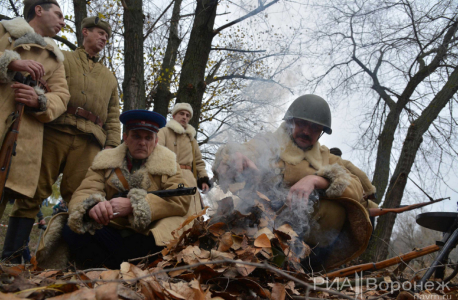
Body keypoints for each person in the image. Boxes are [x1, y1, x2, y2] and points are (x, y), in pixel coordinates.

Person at [4, 16, 121, 263]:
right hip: (54, 131)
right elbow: (45, 85)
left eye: (107, 36)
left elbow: (113, 116)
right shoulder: (63, 58)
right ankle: (13, 257)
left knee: (81, 200)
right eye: (99, 33)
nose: (103, 38)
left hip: (90, 142)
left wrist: (110, 148)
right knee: (31, 193)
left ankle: (68, 261)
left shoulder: (110, 77)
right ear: (85, 32)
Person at [212, 94, 373, 270]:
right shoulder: (268, 142)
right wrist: (237, 157)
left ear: (321, 132)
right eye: (302, 123)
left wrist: (316, 180)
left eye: (314, 127)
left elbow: (355, 185)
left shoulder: (327, 158)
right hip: (259, 225)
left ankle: (311, 270)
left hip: (305, 234)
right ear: (291, 122)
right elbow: (247, 150)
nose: (306, 131)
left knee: (336, 211)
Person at [36, 110, 192, 269]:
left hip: (146, 237)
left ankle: (128, 268)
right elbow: (85, 191)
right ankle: (104, 270)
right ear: (125, 138)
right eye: (136, 136)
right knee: (71, 229)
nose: (142, 143)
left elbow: (181, 200)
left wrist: (134, 205)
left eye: (148, 138)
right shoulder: (104, 162)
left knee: (171, 230)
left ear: (156, 141)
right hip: (110, 234)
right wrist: (92, 208)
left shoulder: (170, 166)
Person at [0, 0, 70, 263]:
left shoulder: (55, 58)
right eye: (59, 14)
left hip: (22, 136)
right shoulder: (5, 32)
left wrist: (39, 100)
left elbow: (62, 97)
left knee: (3, 194)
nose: (63, 21)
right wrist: (11, 63)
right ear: (38, 10)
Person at [157, 103, 211, 212]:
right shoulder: (163, 132)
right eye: (181, 113)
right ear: (174, 116)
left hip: (190, 179)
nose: (184, 117)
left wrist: (204, 180)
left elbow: (199, 162)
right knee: (172, 211)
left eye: (187, 115)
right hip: (169, 178)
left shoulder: (192, 140)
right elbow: (157, 153)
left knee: (193, 215)